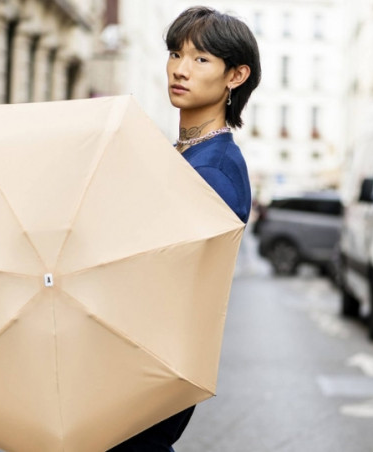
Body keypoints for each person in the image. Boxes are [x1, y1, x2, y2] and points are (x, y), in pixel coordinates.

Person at [108, 6, 261, 451]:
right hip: (140, 361)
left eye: (200, 59)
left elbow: (168, 282)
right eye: (176, 53)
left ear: (236, 75)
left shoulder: (215, 171)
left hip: (151, 370)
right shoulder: (184, 157)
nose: (179, 69)